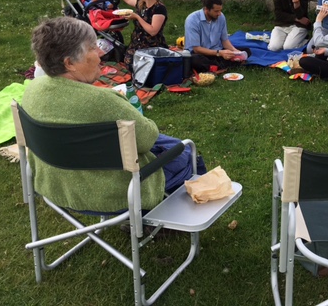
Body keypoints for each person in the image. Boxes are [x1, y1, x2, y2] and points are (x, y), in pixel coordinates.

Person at [21, 17, 198, 213]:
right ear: (69, 63)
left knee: (168, 143)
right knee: (186, 153)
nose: (100, 53)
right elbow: (147, 139)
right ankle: (167, 219)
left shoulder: (32, 90)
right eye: (92, 48)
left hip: (55, 184)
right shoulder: (103, 101)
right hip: (112, 193)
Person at [103, 0, 168, 71]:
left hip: (152, 44)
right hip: (137, 42)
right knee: (129, 62)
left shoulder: (159, 8)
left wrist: (137, 17)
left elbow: (153, 31)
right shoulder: (142, 3)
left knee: (138, 65)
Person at [184, 0, 250, 73]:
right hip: (200, 53)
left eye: (220, 10)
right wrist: (220, 53)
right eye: (216, 11)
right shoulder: (192, 20)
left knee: (247, 51)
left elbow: (224, 40)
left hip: (217, 51)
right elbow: (197, 49)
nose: (219, 14)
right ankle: (225, 65)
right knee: (195, 60)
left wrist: (236, 52)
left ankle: (215, 67)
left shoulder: (221, 17)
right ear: (206, 9)